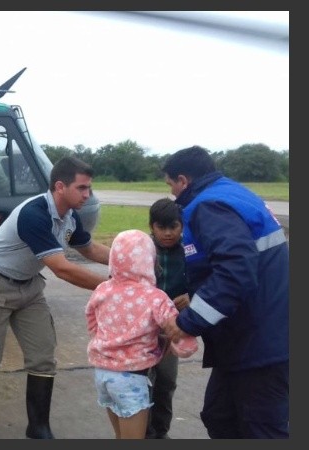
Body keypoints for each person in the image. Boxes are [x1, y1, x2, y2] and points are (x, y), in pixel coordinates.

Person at [0, 156, 111, 439]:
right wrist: (114, 286)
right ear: (60, 186)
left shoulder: (69, 216)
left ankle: (38, 427)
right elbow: (62, 269)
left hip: (29, 286)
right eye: (81, 188)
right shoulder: (34, 214)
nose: (87, 195)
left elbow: (89, 248)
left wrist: (127, 260)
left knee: (43, 355)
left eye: (88, 188)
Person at [161, 145, 289, 439]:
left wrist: (188, 321)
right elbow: (239, 264)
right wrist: (199, 295)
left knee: (261, 428)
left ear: (183, 180)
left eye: (171, 185)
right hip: (250, 336)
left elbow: (236, 271)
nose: (171, 194)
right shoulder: (234, 193)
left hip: (261, 343)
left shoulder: (208, 206)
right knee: (220, 416)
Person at [86, 229, 199, 439]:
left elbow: (91, 319)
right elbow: (182, 337)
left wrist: (105, 337)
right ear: (149, 261)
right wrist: (181, 346)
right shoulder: (156, 298)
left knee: (121, 436)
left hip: (103, 374)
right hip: (131, 379)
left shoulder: (102, 290)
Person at [146, 198, 190, 439]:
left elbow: (206, 279)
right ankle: (142, 431)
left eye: (173, 226)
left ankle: (160, 432)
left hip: (172, 329)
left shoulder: (190, 251)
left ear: (182, 226)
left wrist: (191, 295)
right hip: (143, 327)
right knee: (141, 381)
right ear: (151, 226)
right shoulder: (142, 250)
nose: (167, 233)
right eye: (161, 227)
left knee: (166, 381)